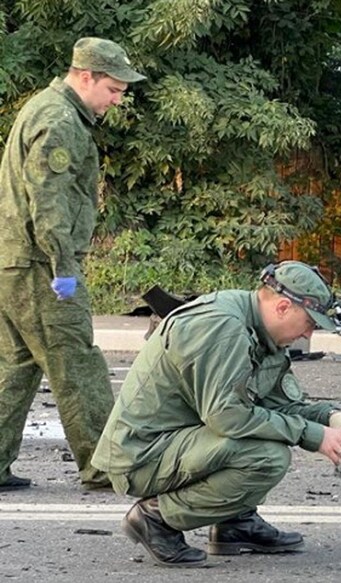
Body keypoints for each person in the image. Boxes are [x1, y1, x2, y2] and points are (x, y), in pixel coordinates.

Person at [91, 261, 341, 568]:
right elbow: (228, 417)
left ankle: (234, 523)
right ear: (284, 307)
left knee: (264, 438)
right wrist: (311, 435)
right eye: (310, 323)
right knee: (266, 456)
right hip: (141, 456)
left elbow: (277, 405)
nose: (308, 334)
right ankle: (156, 518)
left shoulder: (262, 331)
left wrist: (332, 418)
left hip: (178, 442)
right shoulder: (224, 327)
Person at [0, 38, 145, 492]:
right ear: (86, 77)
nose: (117, 100)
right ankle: (106, 465)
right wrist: (63, 265)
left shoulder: (45, 108)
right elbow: (49, 200)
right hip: (41, 266)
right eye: (114, 89)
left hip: (15, 262)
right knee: (77, 363)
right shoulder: (60, 120)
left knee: (16, 366)